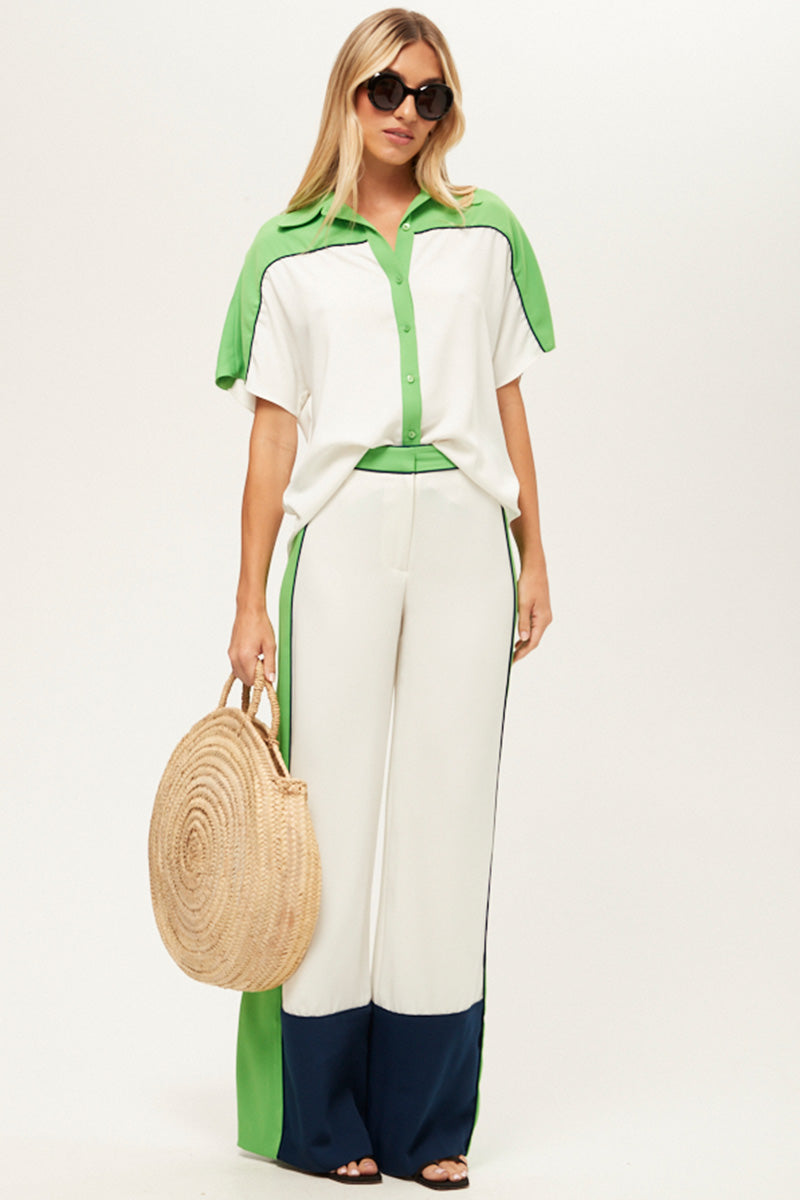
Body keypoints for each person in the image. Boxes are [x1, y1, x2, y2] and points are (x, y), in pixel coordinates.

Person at [216, 7, 555, 1189]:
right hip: (344, 536)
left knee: (445, 822)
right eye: (387, 90)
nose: (408, 113)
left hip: (466, 534)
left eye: (430, 95)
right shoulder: (285, 253)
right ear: (347, 95)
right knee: (326, 819)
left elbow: (506, 401)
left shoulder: (486, 235)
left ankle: (423, 1125)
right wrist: (248, 601)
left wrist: (535, 550)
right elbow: (271, 440)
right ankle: (316, 1121)